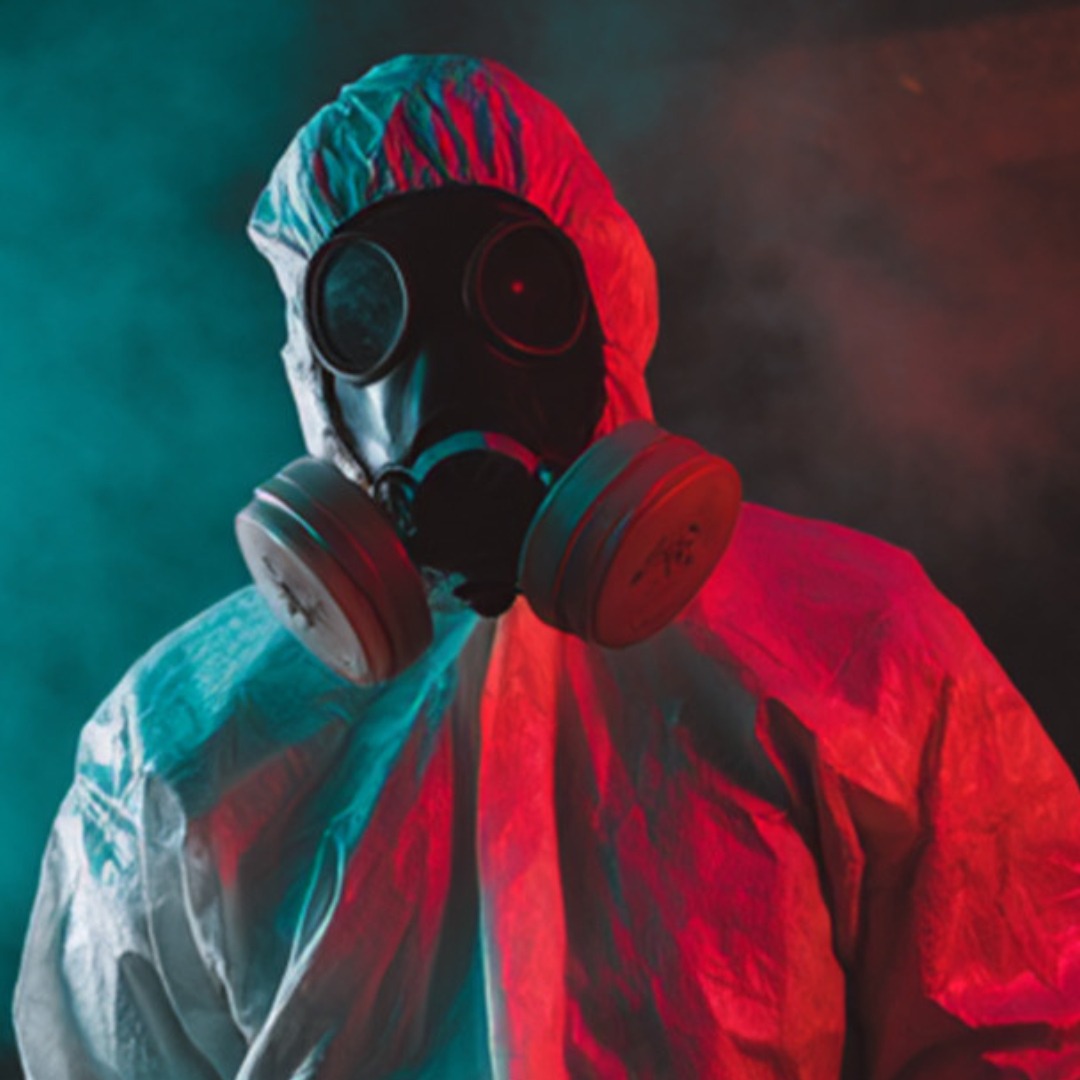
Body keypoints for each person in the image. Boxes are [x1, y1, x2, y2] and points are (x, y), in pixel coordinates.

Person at [14, 54, 1080, 1080]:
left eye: (518, 291)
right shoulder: (171, 745)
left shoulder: (862, 650)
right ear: (313, 365)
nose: (448, 376)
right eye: (371, 317)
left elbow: (1025, 1034)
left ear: (607, 306)